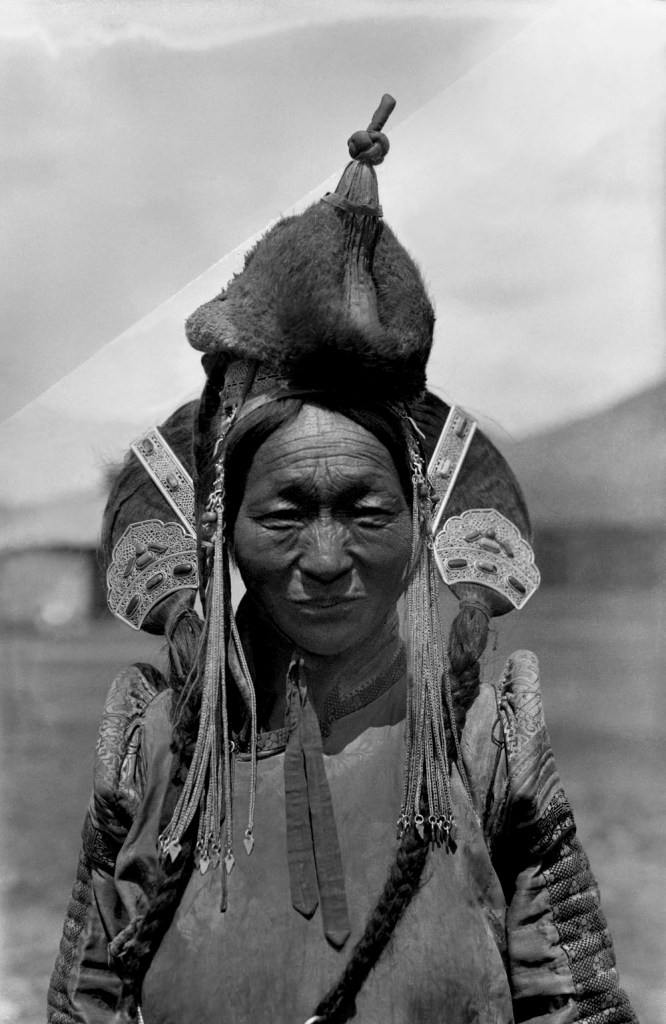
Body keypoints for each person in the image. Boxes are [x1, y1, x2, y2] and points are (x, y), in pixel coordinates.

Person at [48, 96, 637, 1024]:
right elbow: (86, 1005)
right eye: (284, 512)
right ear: (223, 529)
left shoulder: (488, 744)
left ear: (420, 522)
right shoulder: (160, 748)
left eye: (366, 509)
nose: (326, 557)